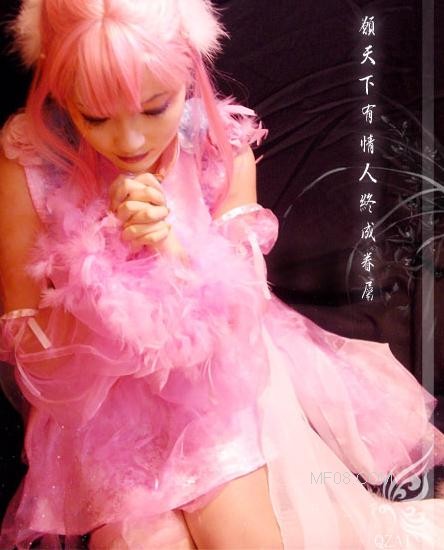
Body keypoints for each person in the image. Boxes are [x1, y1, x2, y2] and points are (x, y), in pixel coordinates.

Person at [0, 0, 444, 548]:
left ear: (188, 73)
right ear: (61, 91)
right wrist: (98, 268)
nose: (131, 141)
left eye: (155, 108)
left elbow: (239, 310)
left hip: (213, 389)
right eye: (96, 117)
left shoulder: (215, 145)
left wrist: (169, 248)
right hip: (99, 417)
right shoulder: (32, 157)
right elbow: (31, 353)